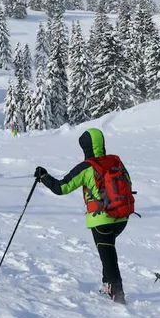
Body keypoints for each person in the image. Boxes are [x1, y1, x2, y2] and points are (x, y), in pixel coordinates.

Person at [34, 128, 133, 305]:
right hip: (122, 216)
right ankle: (106, 284)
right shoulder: (115, 161)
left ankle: (117, 295)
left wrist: (44, 176)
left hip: (101, 219)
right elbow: (128, 182)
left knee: (108, 253)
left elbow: (61, 188)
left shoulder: (86, 167)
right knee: (108, 248)